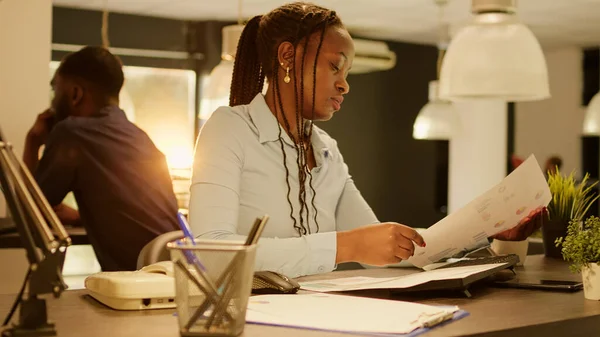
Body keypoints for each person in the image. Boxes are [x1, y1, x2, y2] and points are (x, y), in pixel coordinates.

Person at [189, 2, 537, 278]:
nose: (345, 85)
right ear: (287, 57)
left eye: (347, 73)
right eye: (335, 67)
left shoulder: (325, 149)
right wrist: (346, 246)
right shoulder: (229, 128)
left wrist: (482, 241)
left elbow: (379, 243)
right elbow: (212, 252)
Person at [23, 46, 179, 271]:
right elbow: (133, 209)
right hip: (177, 274)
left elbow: (30, 214)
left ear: (75, 94)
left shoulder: (72, 132)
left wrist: (32, 142)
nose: (54, 100)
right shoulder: (139, 137)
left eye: (56, 90)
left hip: (137, 285)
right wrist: (79, 217)